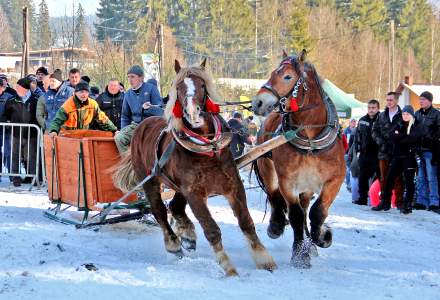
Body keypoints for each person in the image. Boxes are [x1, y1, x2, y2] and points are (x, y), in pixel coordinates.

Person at [372, 105, 423, 214]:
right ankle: (385, 202)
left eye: (407, 114)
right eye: (403, 114)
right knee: (389, 178)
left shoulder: (416, 125)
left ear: (411, 115)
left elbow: (412, 138)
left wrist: (399, 136)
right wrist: (402, 137)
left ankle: (408, 204)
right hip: (397, 156)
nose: (405, 116)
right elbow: (391, 136)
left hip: (409, 157)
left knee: (409, 181)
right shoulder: (399, 124)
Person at [115, 65, 163, 153]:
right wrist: (123, 131)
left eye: (133, 77)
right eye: (128, 77)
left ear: (141, 77)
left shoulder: (151, 88)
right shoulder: (128, 94)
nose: (130, 80)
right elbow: (125, 116)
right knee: (119, 138)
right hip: (136, 126)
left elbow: (160, 110)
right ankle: (129, 163)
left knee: (148, 144)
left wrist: (149, 108)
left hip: (150, 125)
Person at [372, 92, 404, 208]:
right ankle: (384, 202)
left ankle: (399, 202)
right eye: (387, 100)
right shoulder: (381, 115)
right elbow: (374, 130)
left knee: (398, 177)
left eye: (391, 100)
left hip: (397, 151)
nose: (389, 102)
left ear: (396, 101)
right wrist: (380, 142)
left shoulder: (402, 115)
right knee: (383, 178)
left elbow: (407, 132)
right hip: (383, 151)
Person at [49, 81, 117, 135]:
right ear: (75, 93)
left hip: (83, 135)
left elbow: (103, 119)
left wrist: (114, 130)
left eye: (86, 92)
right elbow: (57, 121)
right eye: (81, 92)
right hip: (68, 136)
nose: (84, 94)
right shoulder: (67, 106)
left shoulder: (92, 104)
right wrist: (53, 131)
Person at [414, 91, 440, 211]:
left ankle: (434, 201)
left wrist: (432, 141)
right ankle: (421, 201)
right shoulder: (417, 114)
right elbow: (413, 130)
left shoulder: (436, 114)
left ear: (429, 101)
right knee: (420, 177)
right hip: (419, 150)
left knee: (431, 177)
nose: (421, 101)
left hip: (430, 151)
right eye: (420, 99)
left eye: (423, 99)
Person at [354, 99, 380, 205]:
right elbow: (357, 137)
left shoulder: (382, 119)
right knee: (362, 176)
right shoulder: (362, 120)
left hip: (378, 154)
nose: (371, 110)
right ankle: (362, 198)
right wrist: (358, 150)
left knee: (379, 177)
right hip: (364, 153)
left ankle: (379, 198)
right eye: (369, 108)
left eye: (373, 108)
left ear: (378, 108)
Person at [343, 118, 357, 191]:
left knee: (353, 169)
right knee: (348, 169)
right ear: (349, 123)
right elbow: (344, 141)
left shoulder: (357, 130)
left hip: (354, 152)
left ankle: (352, 185)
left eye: (354, 121)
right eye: (352, 121)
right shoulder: (346, 131)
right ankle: (348, 185)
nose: (353, 123)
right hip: (347, 152)